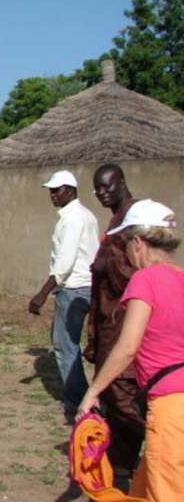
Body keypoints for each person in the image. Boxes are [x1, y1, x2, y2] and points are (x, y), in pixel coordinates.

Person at [77, 199, 184, 501]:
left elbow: (127, 347)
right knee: (146, 487)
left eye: (125, 244)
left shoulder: (145, 279)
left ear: (138, 243)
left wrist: (93, 391)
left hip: (171, 408)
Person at [85, 164, 144, 481]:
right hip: (107, 324)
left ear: (122, 181)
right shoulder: (115, 222)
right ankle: (121, 466)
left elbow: (131, 277)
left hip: (124, 325)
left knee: (122, 396)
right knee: (112, 397)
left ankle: (164, 444)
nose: (103, 193)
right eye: (98, 190)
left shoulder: (134, 223)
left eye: (108, 187)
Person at [28, 170, 99, 417]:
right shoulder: (85, 215)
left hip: (74, 287)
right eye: (51, 191)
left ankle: (79, 400)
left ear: (69, 190)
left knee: (64, 345)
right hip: (88, 286)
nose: (52, 195)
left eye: (56, 190)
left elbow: (65, 263)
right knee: (69, 343)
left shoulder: (72, 219)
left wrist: (42, 294)